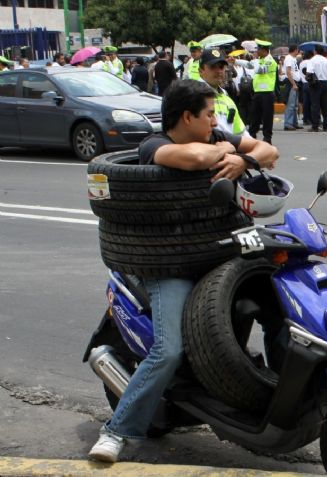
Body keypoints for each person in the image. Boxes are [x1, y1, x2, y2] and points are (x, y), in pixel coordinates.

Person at [87, 79, 278, 463]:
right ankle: (117, 431)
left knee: (279, 304)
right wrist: (229, 149)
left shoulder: (214, 135)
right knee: (168, 349)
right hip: (168, 262)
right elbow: (194, 160)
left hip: (220, 252)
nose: (215, 121)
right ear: (188, 116)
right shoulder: (154, 146)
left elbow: (268, 149)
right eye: (208, 115)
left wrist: (244, 159)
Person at [198, 48, 249, 137]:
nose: (219, 71)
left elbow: (241, 134)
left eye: (221, 67)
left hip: (232, 148)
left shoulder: (226, 98)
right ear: (200, 71)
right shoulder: (194, 95)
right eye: (213, 67)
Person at [248, 40, 277, 144]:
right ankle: (252, 135)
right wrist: (235, 61)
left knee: (267, 116)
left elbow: (260, 70)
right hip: (258, 92)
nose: (257, 52)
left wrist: (254, 62)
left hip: (267, 93)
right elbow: (248, 65)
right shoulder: (260, 60)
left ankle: (267, 138)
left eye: (258, 49)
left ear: (264, 50)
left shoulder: (270, 61)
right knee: (254, 115)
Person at [306, 45, 327, 132]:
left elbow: (309, 72)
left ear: (315, 51)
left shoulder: (312, 60)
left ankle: (315, 125)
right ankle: (326, 125)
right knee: (326, 105)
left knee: (315, 105)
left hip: (316, 84)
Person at [282, 45, 302, 131]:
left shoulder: (293, 59)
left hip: (295, 82)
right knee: (291, 104)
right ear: (295, 50)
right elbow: (288, 71)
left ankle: (294, 123)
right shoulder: (289, 58)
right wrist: (293, 84)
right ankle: (288, 123)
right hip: (291, 83)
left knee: (295, 105)